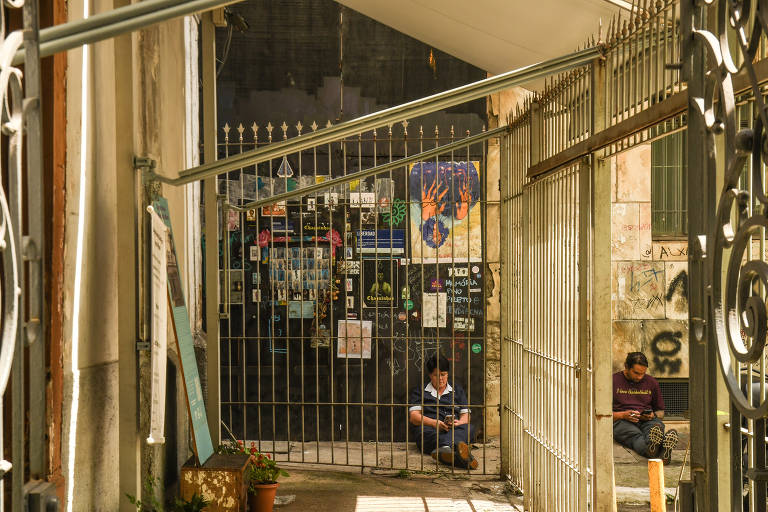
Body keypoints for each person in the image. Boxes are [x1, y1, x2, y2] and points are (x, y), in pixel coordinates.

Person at [408, 353, 477, 469]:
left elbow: (466, 416)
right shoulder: (420, 391)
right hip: (431, 431)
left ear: (448, 374)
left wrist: (459, 423)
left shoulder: (457, 390)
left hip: (454, 431)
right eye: (436, 375)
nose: (440, 379)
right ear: (430, 375)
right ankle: (458, 453)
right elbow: (414, 417)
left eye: (443, 375)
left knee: (469, 427)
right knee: (422, 432)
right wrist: (435, 423)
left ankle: (446, 451)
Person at [613, 352, 678, 464]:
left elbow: (660, 412)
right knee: (635, 436)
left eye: (643, 373)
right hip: (622, 421)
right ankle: (663, 452)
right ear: (626, 367)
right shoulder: (613, 381)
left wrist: (653, 415)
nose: (640, 377)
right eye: (636, 373)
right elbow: (600, 413)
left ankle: (652, 450)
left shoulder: (651, 382)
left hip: (646, 421)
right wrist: (623, 415)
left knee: (656, 427)